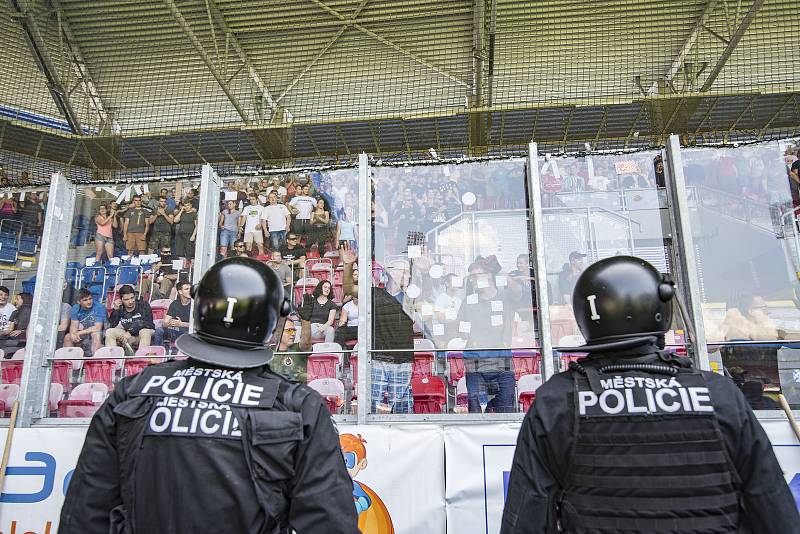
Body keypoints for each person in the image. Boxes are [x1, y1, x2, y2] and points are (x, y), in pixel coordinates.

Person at [501, 255, 800, 534]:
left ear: (584, 317)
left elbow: (525, 519)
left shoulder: (556, 402)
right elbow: (774, 511)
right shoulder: (719, 395)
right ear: (660, 309)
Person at [59, 257, 358, 534]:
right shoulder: (297, 405)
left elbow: (86, 512)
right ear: (271, 320)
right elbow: (330, 522)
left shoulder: (134, 390)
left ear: (200, 306)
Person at [342, 246, 414, 414]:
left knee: (402, 410)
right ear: (392, 273)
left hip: (403, 360)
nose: (409, 276)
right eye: (405, 271)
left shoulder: (412, 296)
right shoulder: (374, 293)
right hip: (377, 359)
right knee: (372, 407)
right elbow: (348, 289)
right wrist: (348, 265)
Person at [459, 256, 516, 413]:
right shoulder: (468, 302)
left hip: (502, 364)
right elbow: (462, 332)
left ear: (489, 275)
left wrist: (499, 269)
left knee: (505, 412)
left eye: (476, 276)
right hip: (475, 364)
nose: (473, 280)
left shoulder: (505, 297)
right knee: (476, 413)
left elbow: (519, 292)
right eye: (471, 277)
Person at [106, 285, 156, 352]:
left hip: (144, 334)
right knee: (110, 332)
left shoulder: (143, 305)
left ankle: (142, 358)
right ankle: (113, 359)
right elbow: (111, 325)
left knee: (144, 331)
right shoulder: (120, 308)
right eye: (126, 299)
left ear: (135, 296)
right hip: (128, 335)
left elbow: (147, 323)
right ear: (121, 299)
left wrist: (130, 332)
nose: (130, 301)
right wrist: (115, 310)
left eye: (132, 298)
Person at [63, 288, 105, 355]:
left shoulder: (99, 307)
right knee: (68, 337)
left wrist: (79, 333)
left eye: (90, 299)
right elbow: (74, 326)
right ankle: (71, 362)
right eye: (85, 300)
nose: (89, 302)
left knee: (95, 334)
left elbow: (97, 328)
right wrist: (73, 334)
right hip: (85, 332)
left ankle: (95, 362)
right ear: (79, 302)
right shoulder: (75, 308)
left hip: (101, 333)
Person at [153, 281, 192, 350]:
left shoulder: (195, 304)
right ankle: (159, 353)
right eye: (187, 289)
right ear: (180, 292)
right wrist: (169, 323)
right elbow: (165, 323)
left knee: (187, 334)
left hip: (189, 331)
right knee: (159, 330)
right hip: (177, 329)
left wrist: (182, 324)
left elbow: (199, 326)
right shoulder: (175, 304)